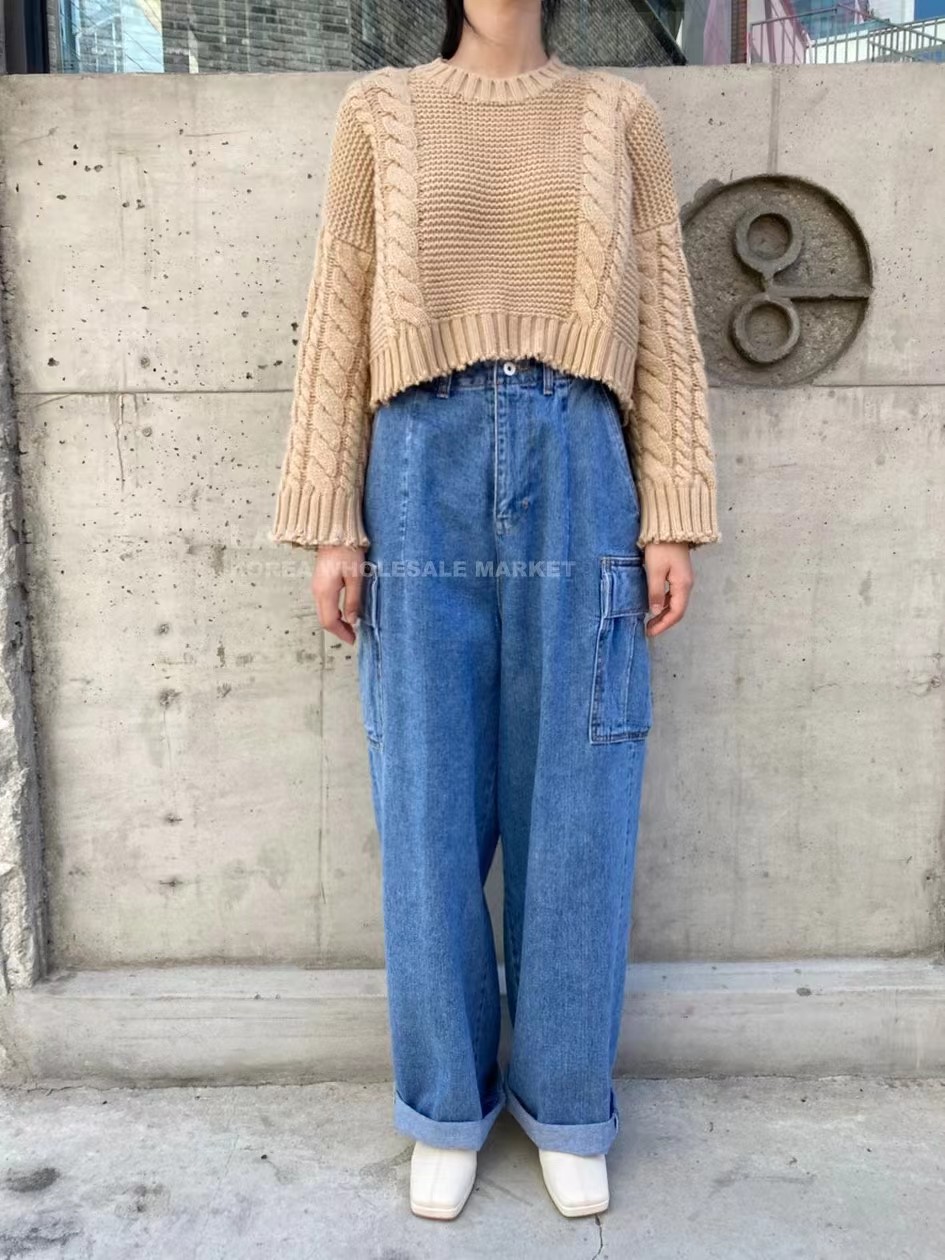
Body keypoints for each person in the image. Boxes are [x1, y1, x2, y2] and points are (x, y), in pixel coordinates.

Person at [271, 0, 721, 1223]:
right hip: (419, 467)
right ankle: (445, 1104)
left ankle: (566, 1101)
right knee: (426, 800)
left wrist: (673, 511)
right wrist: (330, 518)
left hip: (581, 462)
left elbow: (666, 322)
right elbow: (340, 312)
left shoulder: (618, 115)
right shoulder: (380, 113)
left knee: (581, 796)